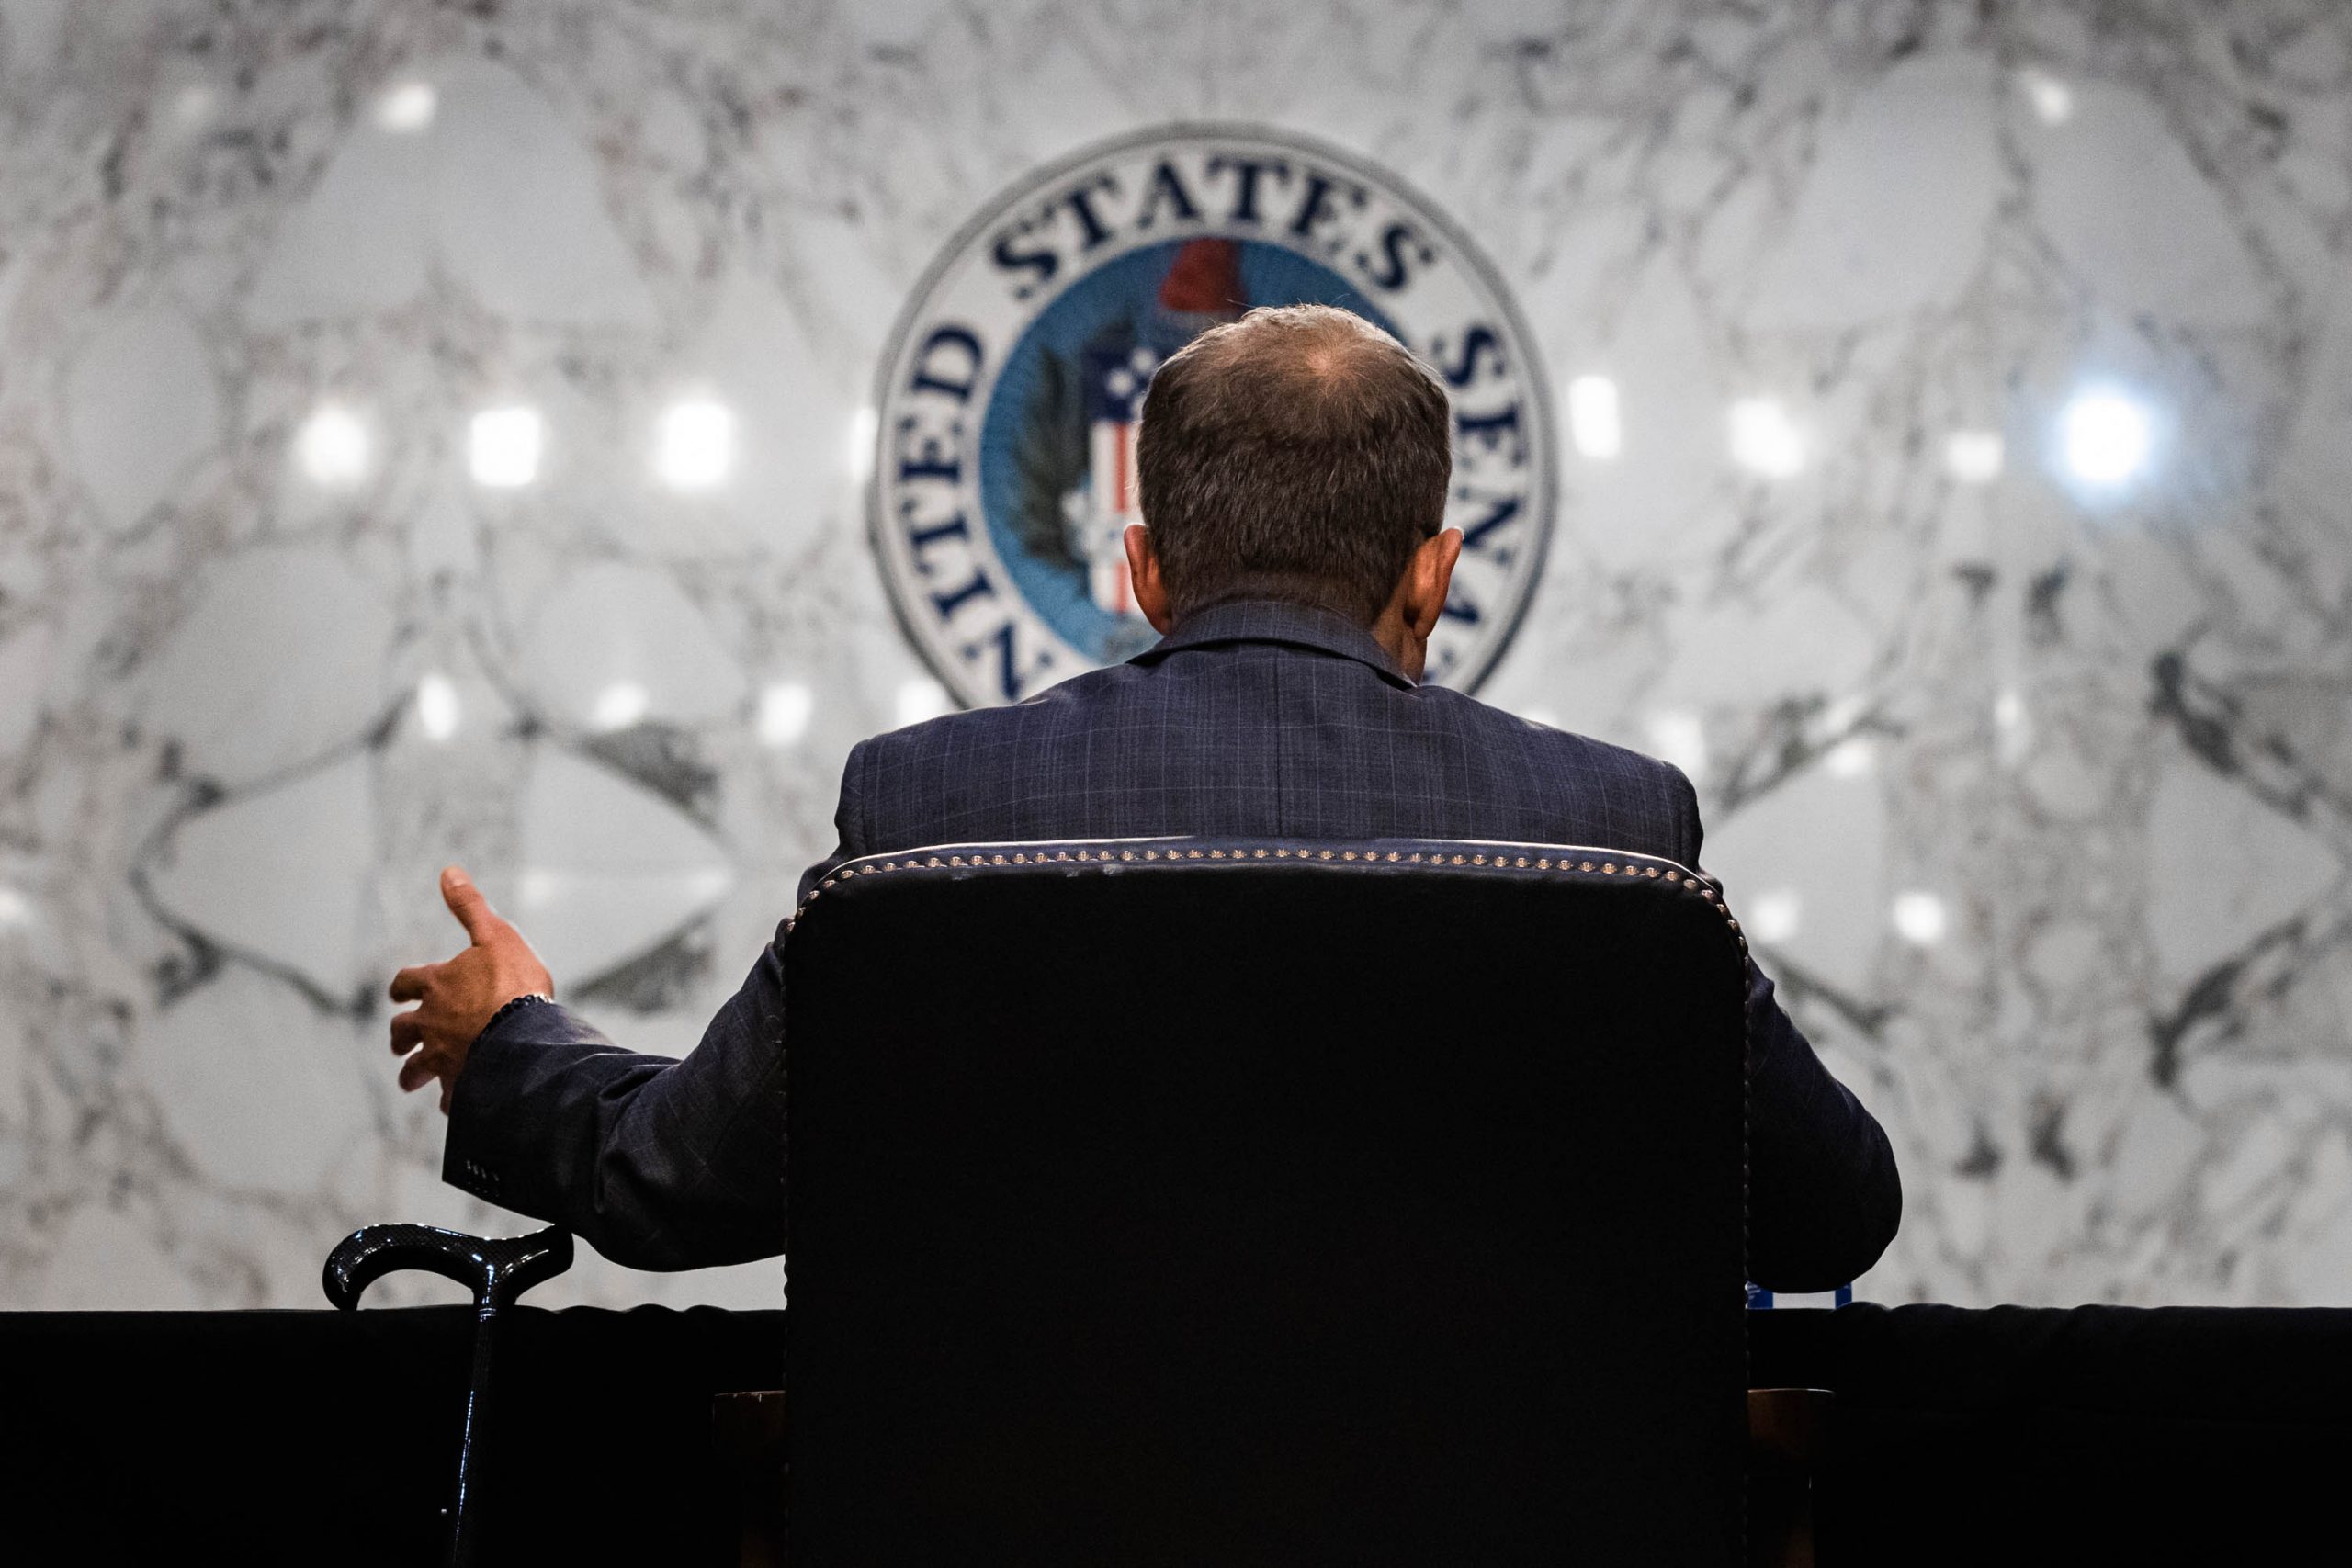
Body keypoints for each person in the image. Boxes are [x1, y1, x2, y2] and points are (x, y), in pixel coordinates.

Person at [388, 304, 1900, 1290]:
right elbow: (1837, 1216)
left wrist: (514, 1042)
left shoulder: (929, 814)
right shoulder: (1613, 839)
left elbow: (675, 1186)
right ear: (1434, 575)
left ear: (1144, 570)